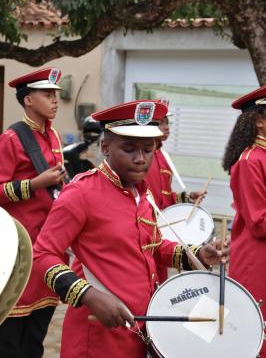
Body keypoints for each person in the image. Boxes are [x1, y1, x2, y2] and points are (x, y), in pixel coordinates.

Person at [34, 99, 228, 358]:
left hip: (141, 328)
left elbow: (153, 245)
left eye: (148, 150)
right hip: (98, 335)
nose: (140, 159)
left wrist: (198, 253)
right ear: (105, 147)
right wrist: (88, 294)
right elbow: (41, 255)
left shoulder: (141, 192)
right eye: (129, 149)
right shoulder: (81, 193)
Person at [0, 67, 66, 358]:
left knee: (37, 335)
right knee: (10, 335)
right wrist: (34, 184)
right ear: (28, 99)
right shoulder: (12, 139)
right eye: (47, 94)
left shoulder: (53, 137)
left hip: (47, 247)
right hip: (18, 250)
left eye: (56, 95)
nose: (54, 100)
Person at [223, 85, 266, 358]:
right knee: (257, 332)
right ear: (259, 120)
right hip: (257, 260)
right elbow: (259, 221)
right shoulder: (249, 161)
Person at [145, 101, 206, 283]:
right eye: (160, 122)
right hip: (149, 231)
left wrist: (186, 197)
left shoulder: (161, 154)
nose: (166, 127)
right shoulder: (145, 157)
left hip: (160, 232)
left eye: (167, 122)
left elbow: (164, 196)